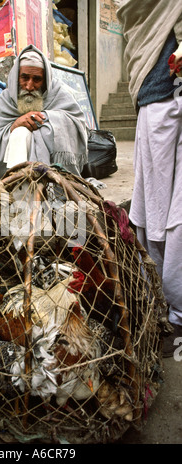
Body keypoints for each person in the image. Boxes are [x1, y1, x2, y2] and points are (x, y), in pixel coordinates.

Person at [117, 0, 182, 357]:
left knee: (172, 214)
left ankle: (174, 311)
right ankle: (164, 307)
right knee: (155, 212)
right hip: (157, 100)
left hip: (163, 99)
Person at [0, 44, 88, 179]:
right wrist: (15, 125)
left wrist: (45, 118)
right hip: (14, 164)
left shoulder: (58, 93)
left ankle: (46, 183)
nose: (29, 86)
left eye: (37, 79)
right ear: (16, 77)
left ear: (45, 81)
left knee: (39, 129)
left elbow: (78, 124)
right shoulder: (5, 100)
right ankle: (17, 186)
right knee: (19, 133)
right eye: (24, 78)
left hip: (55, 167)